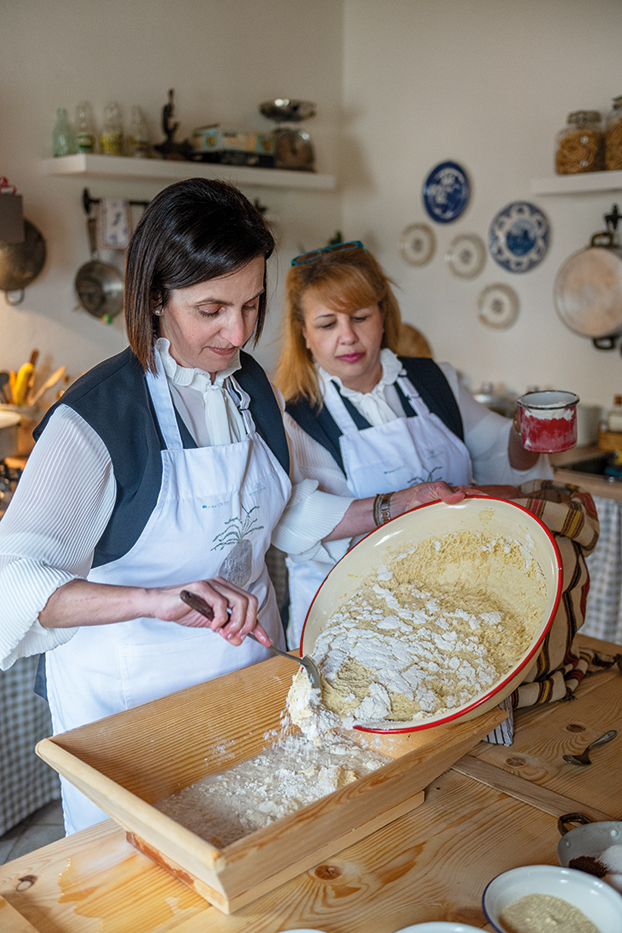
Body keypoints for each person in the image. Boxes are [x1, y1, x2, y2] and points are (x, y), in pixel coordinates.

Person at [0, 181, 468, 834]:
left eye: (252, 304)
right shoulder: (97, 417)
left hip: (247, 687)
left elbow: (284, 510)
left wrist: (395, 502)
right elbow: (14, 581)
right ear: (154, 297)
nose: (238, 331)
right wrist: (153, 598)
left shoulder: (249, 386)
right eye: (212, 308)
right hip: (133, 712)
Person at [274, 240, 553, 647]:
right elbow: (296, 516)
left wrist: (531, 430)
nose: (347, 337)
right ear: (304, 333)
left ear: (383, 315)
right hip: (348, 619)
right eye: (327, 323)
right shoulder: (292, 413)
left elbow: (496, 452)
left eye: (360, 316)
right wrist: (400, 503)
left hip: (456, 599)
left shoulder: (431, 379)